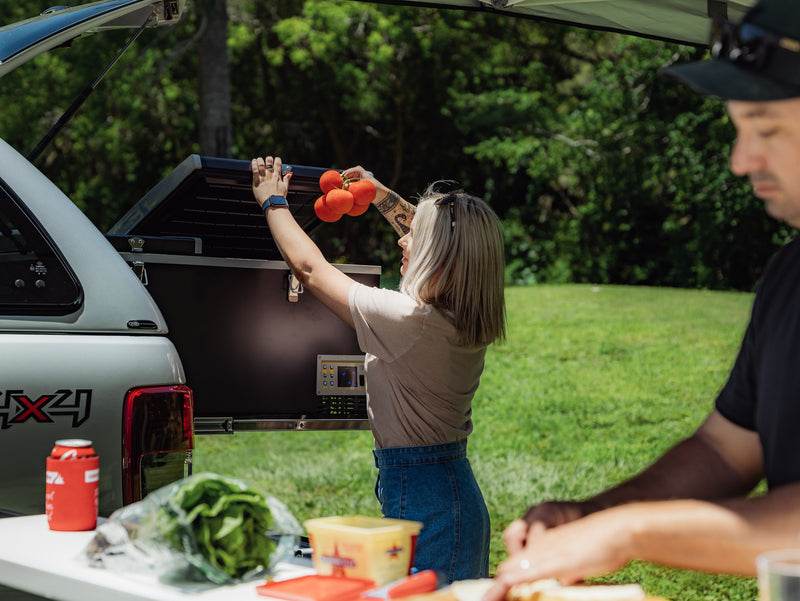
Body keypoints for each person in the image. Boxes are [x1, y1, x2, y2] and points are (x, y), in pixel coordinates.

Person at [483, 0, 800, 598]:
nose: (740, 160)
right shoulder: (789, 276)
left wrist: (629, 532)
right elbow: (726, 449)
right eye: (737, 129)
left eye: (767, 127)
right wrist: (593, 514)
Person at [250, 156, 507, 582]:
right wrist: (381, 196)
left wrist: (272, 201)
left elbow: (311, 269)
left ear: (438, 257)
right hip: (442, 489)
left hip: (429, 496)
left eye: (415, 239)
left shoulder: (409, 319)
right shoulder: (456, 312)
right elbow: (441, 242)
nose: (402, 241)